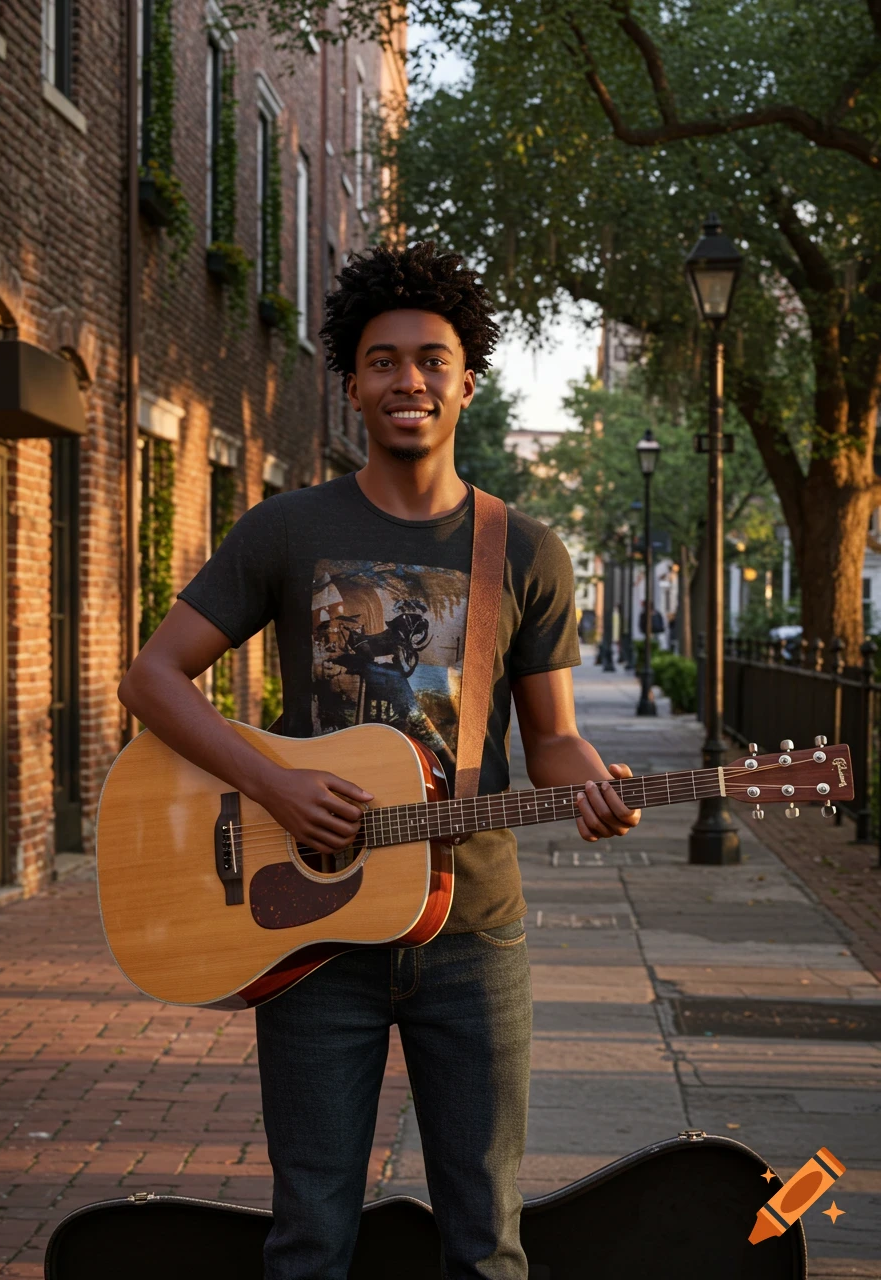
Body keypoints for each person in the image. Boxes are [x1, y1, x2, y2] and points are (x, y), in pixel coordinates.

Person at [117, 242, 641, 1280]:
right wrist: (273, 782)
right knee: (310, 1233)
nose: (409, 380)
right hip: (312, 931)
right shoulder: (285, 529)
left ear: (467, 381)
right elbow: (153, 679)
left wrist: (593, 779)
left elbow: (549, 739)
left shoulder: (523, 549)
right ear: (351, 382)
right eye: (384, 360)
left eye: (432, 359)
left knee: (486, 1238)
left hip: (474, 932)